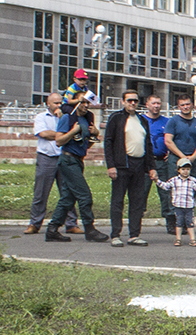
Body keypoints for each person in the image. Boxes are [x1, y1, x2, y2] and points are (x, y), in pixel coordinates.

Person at [45, 98, 108, 243]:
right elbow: (59, 141)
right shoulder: (67, 118)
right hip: (68, 160)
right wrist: (73, 131)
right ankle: (90, 230)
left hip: (78, 160)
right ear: (75, 103)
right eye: (83, 102)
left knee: (67, 198)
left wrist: (95, 135)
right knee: (85, 196)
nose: (86, 105)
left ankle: (52, 230)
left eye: (87, 103)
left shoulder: (86, 119)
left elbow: (86, 146)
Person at [103, 89, 158, 246]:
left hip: (139, 166)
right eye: (129, 100)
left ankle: (134, 235)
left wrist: (151, 167)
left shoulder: (142, 120)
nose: (132, 103)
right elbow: (108, 142)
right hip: (122, 165)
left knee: (137, 202)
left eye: (135, 100)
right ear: (123, 102)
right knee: (118, 201)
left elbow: (147, 145)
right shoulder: (116, 118)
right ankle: (115, 234)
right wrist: (111, 165)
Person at [26, 92, 78, 235]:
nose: (58, 105)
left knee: (68, 191)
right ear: (48, 104)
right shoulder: (41, 117)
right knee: (41, 192)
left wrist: (63, 126)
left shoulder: (66, 117)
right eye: (55, 103)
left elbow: (73, 134)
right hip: (46, 157)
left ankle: (71, 223)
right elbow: (43, 134)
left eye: (60, 102)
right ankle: (35, 223)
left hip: (63, 157)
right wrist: (63, 134)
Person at [157, 160, 196, 246]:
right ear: (178, 170)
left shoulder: (192, 181)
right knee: (179, 222)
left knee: (190, 223)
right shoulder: (174, 180)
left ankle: (193, 239)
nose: (185, 171)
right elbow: (165, 186)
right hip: (178, 205)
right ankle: (178, 239)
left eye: (187, 169)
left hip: (189, 206)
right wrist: (157, 181)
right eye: (183, 169)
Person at [144, 94, 177, 234]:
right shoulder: (141, 120)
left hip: (161, 161)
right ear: (147, 105)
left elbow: (173, 138)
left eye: (158, 103)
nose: (156, 106)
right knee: (140, 192)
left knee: (166, 193)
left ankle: (170, 221)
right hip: (144, 163)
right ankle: (135, 222)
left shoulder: (167, 121)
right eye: (153, 103)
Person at [163, 94, 196, 179]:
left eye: (187, 104)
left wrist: (193, 156)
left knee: (192, 187)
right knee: (175, 187)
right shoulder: (173, 121)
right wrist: (182, 156)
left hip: (193, 159)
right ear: (178, 107)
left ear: (192, 105)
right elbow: (168, 141)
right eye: (182, 105)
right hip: (176, 159)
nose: (185, 107)